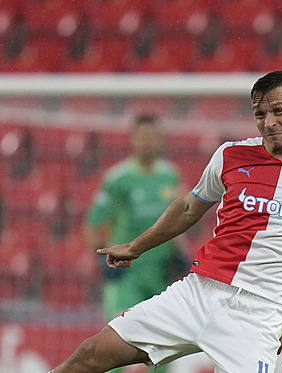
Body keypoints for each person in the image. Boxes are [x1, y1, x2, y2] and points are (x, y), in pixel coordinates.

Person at [49, 70, 282, 373]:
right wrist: (137, 246)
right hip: (197, 292)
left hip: (259, 314)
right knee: (89, 355)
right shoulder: (231, 155)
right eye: (260, 114)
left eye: (279, 111)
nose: (269, 122)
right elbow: (190, 207)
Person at [84, 114, 185, 372]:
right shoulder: (118, 179)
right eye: (143, 137)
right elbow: (94, 223)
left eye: (153, 137)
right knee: (115, 345)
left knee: (163, 350)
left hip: (159, 275)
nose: (148, 143)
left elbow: (178, 220)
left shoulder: (170, 176)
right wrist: (99, 258)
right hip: (126, 276)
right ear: (132, 140)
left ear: (160, 141)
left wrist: (178, 251)